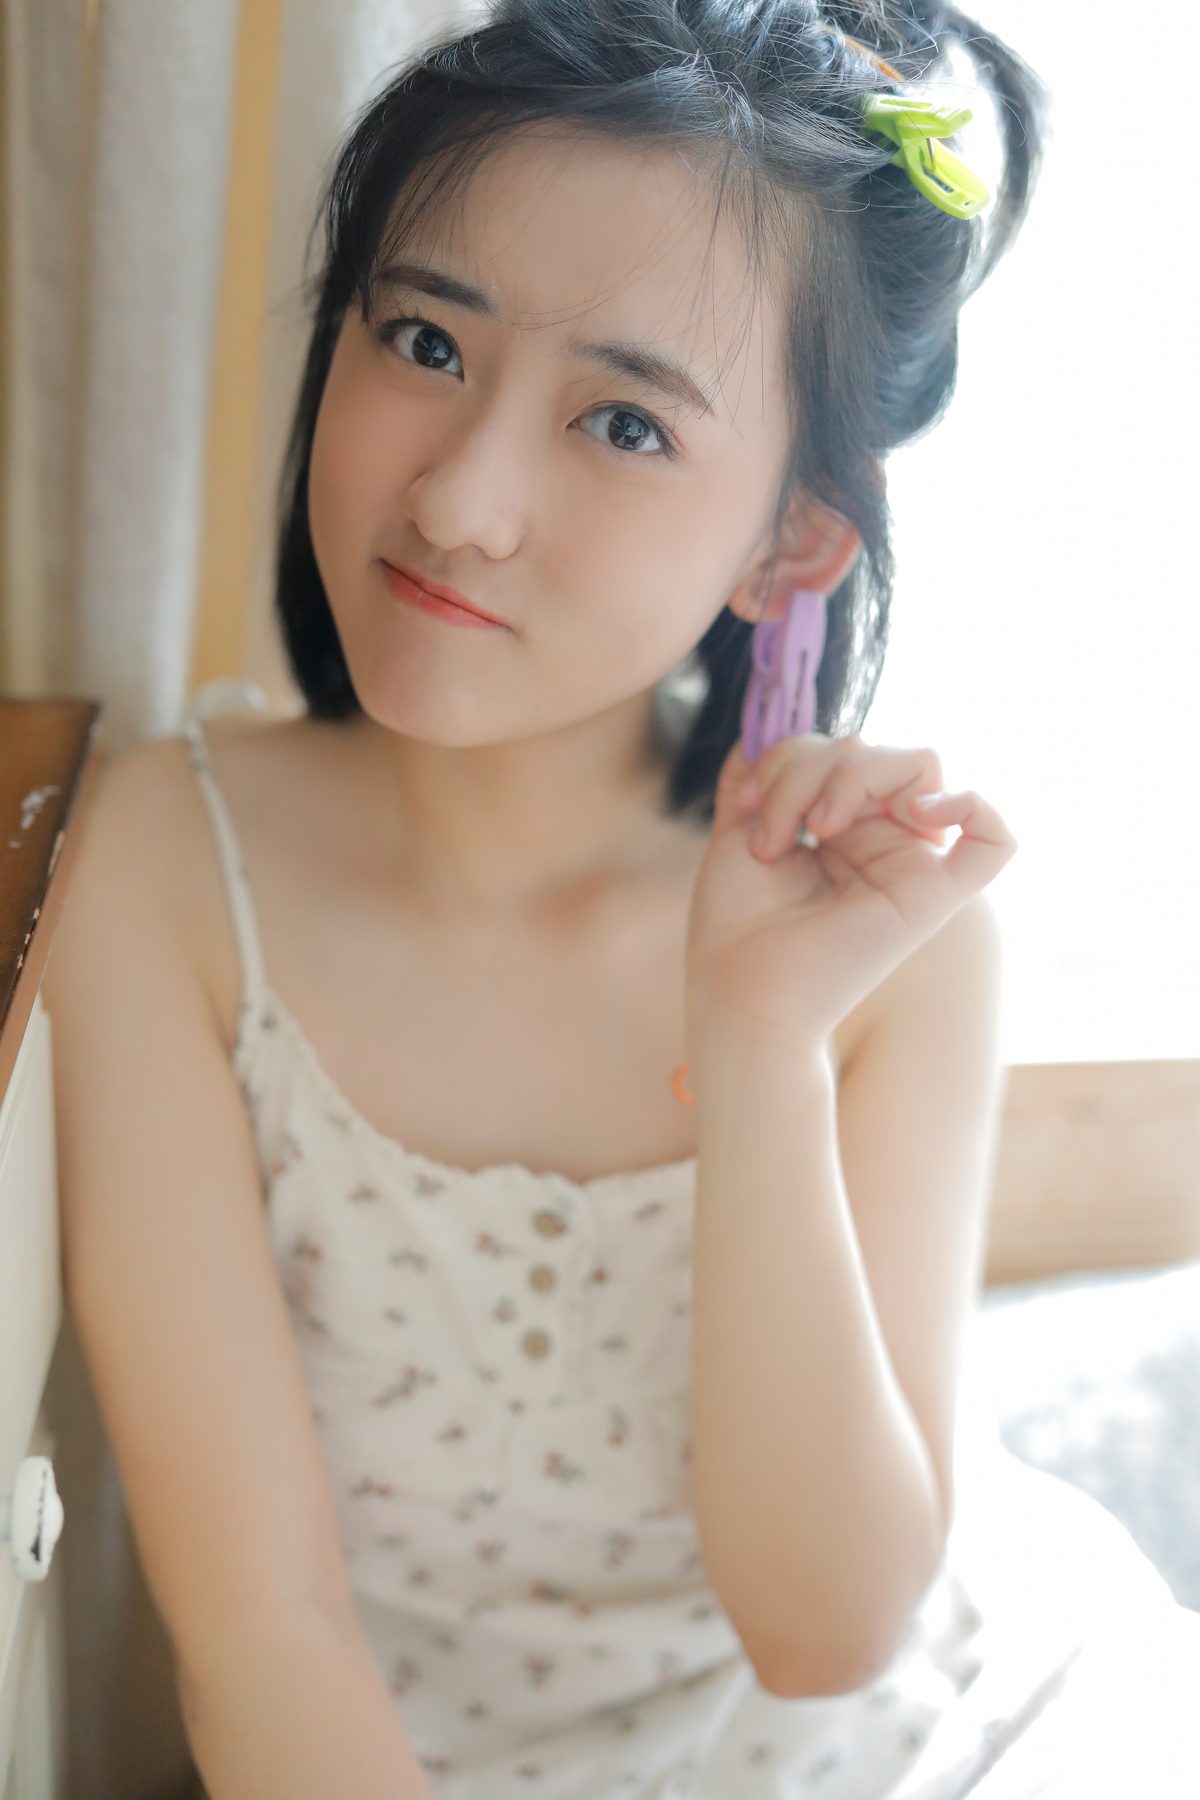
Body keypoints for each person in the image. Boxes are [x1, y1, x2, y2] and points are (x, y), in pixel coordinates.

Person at [49, 2, 1200, 1796]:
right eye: (423, 339)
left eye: (624, 423)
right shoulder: (163, 870)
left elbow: (826, 1633)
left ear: (793, 542)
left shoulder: (889, 944)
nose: (462, 499)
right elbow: (263, 1631)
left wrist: (757, 1039)